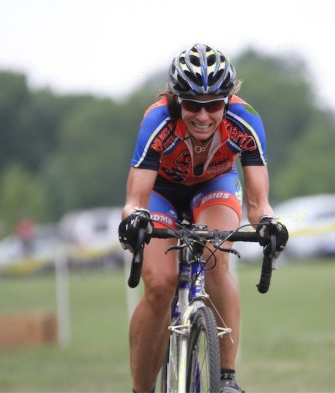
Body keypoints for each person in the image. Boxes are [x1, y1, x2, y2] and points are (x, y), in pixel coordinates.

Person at [118, 43, 288, 393]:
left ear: (227, 101)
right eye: (193, 105)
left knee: (215, 259)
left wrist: (270, 223)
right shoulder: (158, 119)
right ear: (177, 100)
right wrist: (136, 220)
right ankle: (141, 388)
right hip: (161, 192)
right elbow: (135, 200)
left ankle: (226, 379)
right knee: (160, 284)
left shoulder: (246, 120)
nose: (203, 115)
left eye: (213, 105)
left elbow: (259, 205)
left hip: (215, 184)